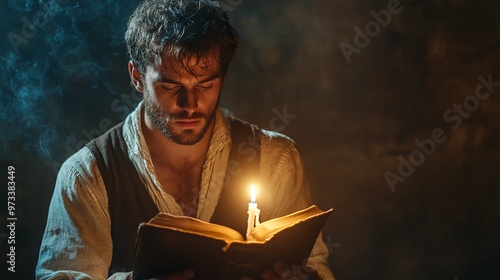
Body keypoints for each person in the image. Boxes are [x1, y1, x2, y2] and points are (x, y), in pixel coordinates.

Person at [36, 0, 335, 279]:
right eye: (169, 85)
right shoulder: (88, 175)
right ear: (137, 76)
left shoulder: (275, 158)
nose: (190, 104)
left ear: (223, 77)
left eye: (205, 84)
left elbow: (316, 266)